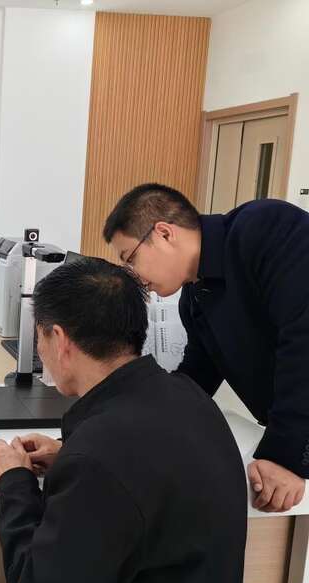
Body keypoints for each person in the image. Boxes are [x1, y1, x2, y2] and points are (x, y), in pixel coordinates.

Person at [0, 257, 246, 583]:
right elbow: (145, 462)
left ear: (60, 340)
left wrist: (14, 483)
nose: (39, 349)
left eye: (39, 336)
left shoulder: (95, 458)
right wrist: (68, 453)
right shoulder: (190, 395)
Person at [103, 183, 309, 513]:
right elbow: (193, 382)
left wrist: (285, 455)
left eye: (131, 259)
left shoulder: (263, 228)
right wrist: (100, 436)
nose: (134, 276)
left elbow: (303, 339)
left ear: (164, 233)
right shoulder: (194, 298)